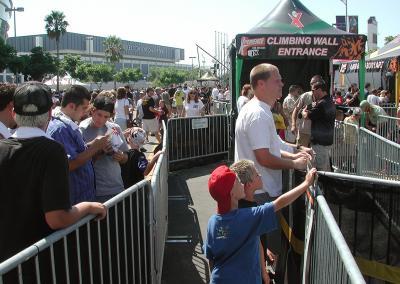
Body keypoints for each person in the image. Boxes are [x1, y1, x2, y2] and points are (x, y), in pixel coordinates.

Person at [0, 82, 107, 266]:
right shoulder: (52, 151)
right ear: (49, 113)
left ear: (14, 113)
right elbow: (57, 218)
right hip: (40, 258)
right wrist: (88, 206)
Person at [234, 63, 310, 275]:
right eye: (277, 80)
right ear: (261, 84)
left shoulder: (260, 110)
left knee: (261, 245)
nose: (282, 84)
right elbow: (264, 157)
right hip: (260, 191)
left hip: (260, 190)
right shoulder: (258, 114)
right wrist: (294, 163)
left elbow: (273, 145)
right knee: (257, 247)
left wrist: (295, 151)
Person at [204, 164, 316, 284]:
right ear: (232, 194)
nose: (242, 183)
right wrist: (306, 183)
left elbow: (211, 258)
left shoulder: (212, 223)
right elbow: (280, 202)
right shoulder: (248, 217)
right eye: (237, 181)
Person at [47, 85, 110, 205]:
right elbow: (69, 164)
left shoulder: (66, 125)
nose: (86, 111)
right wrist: (95, 146)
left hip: (81, 197)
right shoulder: (61, 129)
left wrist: (93, 144)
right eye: (84, 107)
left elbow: (76, 152)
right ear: (71, 106)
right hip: (76, 199)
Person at [80, 93, 129, 203]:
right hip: (94, 191)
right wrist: (98, 151)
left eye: (106, 117)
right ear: (92, 110)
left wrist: (121, 157)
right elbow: (79, 162)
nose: (101, 119)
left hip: (117, 187)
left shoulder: (115, 128)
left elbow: (126, 157)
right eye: (99, 115)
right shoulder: (81, 130)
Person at [230, 160, 272, 284]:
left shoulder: (244, 207)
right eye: (257, 174)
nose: (260, 175)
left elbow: (256, 239)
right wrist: (264, 272)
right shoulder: (249, 212)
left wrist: (265, 250)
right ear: (249, 184)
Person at [302, 80, 336, 171]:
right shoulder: (329, 101)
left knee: (319, 171)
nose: (312, 93)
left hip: (320, 143)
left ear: (319, 90)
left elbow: (307, 116)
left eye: (313, 90)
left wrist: (304, 111)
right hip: (326, 141)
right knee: (325, 169)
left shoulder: (322, 104)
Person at [291, 75, 323, 147]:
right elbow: (295, 110)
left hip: (318, 133)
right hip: (304, 132)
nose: (312, 85)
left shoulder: (325, 98)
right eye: (311, 83)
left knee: (316, 156)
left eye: (314, 83)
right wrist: (293, 125)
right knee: (300, 153)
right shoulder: (305, 95)